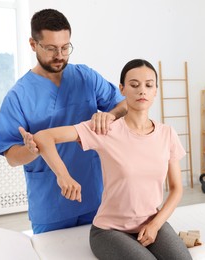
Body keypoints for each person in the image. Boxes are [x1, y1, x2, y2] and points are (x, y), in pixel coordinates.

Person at [33, 59, 192, 259]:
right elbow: (43, 137)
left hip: (151, 222)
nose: (142, 90)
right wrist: (63, 176)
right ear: (122, 89)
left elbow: (177, 188)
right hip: (109, 231)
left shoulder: (167, 134)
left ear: (155, 91)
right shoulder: (106, 129)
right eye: (134, 85)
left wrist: (155, 225)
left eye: (148, 85)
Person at [0, 9, 127, 234]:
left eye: (65, 48)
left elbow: (124, 105)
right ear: (33, 44)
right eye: (51, 48)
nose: (60, 55)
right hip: (50, 203)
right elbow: (12, 158)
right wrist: (31, 150)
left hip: (93, 192)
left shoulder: (85, 77)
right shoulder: (18, 96)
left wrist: (109, 115)